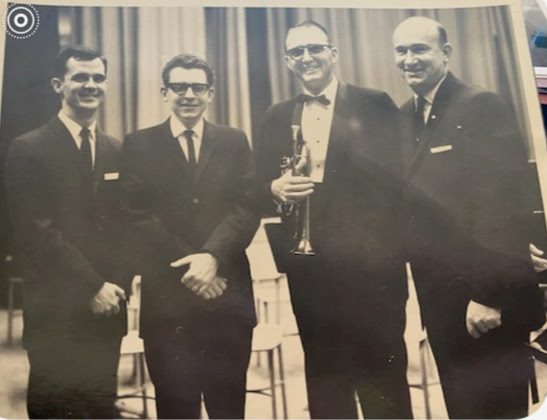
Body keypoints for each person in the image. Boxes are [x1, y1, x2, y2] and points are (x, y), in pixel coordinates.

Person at [255, 20, 412, 419]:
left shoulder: (374, 103)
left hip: (372, 270)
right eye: (296, 52)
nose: (306, 58)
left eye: (314, 48)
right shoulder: (276, 116)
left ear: (333, 53)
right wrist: (274, 186)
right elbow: (255, 185)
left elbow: (398, 183)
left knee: (384, 381)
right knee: (326, 381)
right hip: (311, 273)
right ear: (288, 62)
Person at [393, 16, 545, 419]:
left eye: (419, 49)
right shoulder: (405, 116)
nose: (409, 59)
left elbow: (503, 208)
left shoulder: (480, 106)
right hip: (441, 299)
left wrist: (488, 295)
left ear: (446, 53)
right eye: (401, 51)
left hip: (484, 301)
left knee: (497, 408)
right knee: (463, 407)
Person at [119, 53, 258, 419]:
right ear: (165, 93)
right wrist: (192, 267)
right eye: (179, 87)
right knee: (177, 409)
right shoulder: (138, 144)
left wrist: (211, 257)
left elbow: (247, 208)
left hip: (226, 296)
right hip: (169, 305)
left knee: (229, 409)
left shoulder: (234, 140)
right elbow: (136, 217)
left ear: (210, 93)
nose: (188, 95)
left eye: (197, 87)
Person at [4, 46, 130, 419]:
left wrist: (114, 288)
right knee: (55, 409)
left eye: (98, 78)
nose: (90, 85)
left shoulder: (116, 149)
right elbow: (37, 232)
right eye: (80, 77)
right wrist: (92, 286)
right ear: (59, 84)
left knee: (100, 407)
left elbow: (127, 229)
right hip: (56, 310)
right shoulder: (27, 149)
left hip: (108, 309)